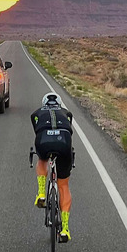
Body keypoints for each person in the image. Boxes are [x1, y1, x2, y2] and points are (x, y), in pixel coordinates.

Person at [31, 92, 74, 242]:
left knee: (42, 159)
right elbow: (69, 130)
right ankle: (65, 229)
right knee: (63, 185)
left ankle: (41, 193)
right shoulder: (67, 113)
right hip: (64, 143)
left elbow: (37, 130)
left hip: (44, 140)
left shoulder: (36, 113)